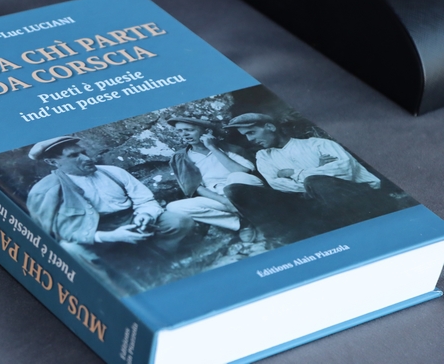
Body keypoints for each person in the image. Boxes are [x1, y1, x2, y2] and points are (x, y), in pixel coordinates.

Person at [26, 136, 195, 290]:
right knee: (69, 248)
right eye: (73, 156)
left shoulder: (112, 172)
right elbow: (61, 232)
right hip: (96, 235)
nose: (86, 158)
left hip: (133, 221)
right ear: (52, 162)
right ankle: (117, 288)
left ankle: (157, 263)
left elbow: (145, 200)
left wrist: (145, 215)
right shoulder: (47, 190)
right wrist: (111, 236)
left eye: (84, 152)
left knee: (178, 221)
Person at [222, 113, 391, 244]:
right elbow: (277, 185)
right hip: (313, 208)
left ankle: (362, 233)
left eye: (252, 132)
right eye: (246, 135)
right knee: (235, 190)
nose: (250, 139)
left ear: (270, 127)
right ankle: (286, 241)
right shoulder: (264, 157)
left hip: (358, 199)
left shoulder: (318, 144)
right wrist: (317, 172)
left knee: (317, 182)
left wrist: (294, 174)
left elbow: (344, 171)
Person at [165, 117, 263, 241]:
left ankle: (256, 214)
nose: (184, 134)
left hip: (243, 190)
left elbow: (244, 172)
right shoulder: (181, 157)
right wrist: (225, 201)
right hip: (217, 197)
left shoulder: (230, 149)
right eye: (180, 131)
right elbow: (194, 187)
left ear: (206, 131)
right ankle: (242, 222)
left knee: (236, 176)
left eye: (189, 130)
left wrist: (213, 148)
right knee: (174, 207)